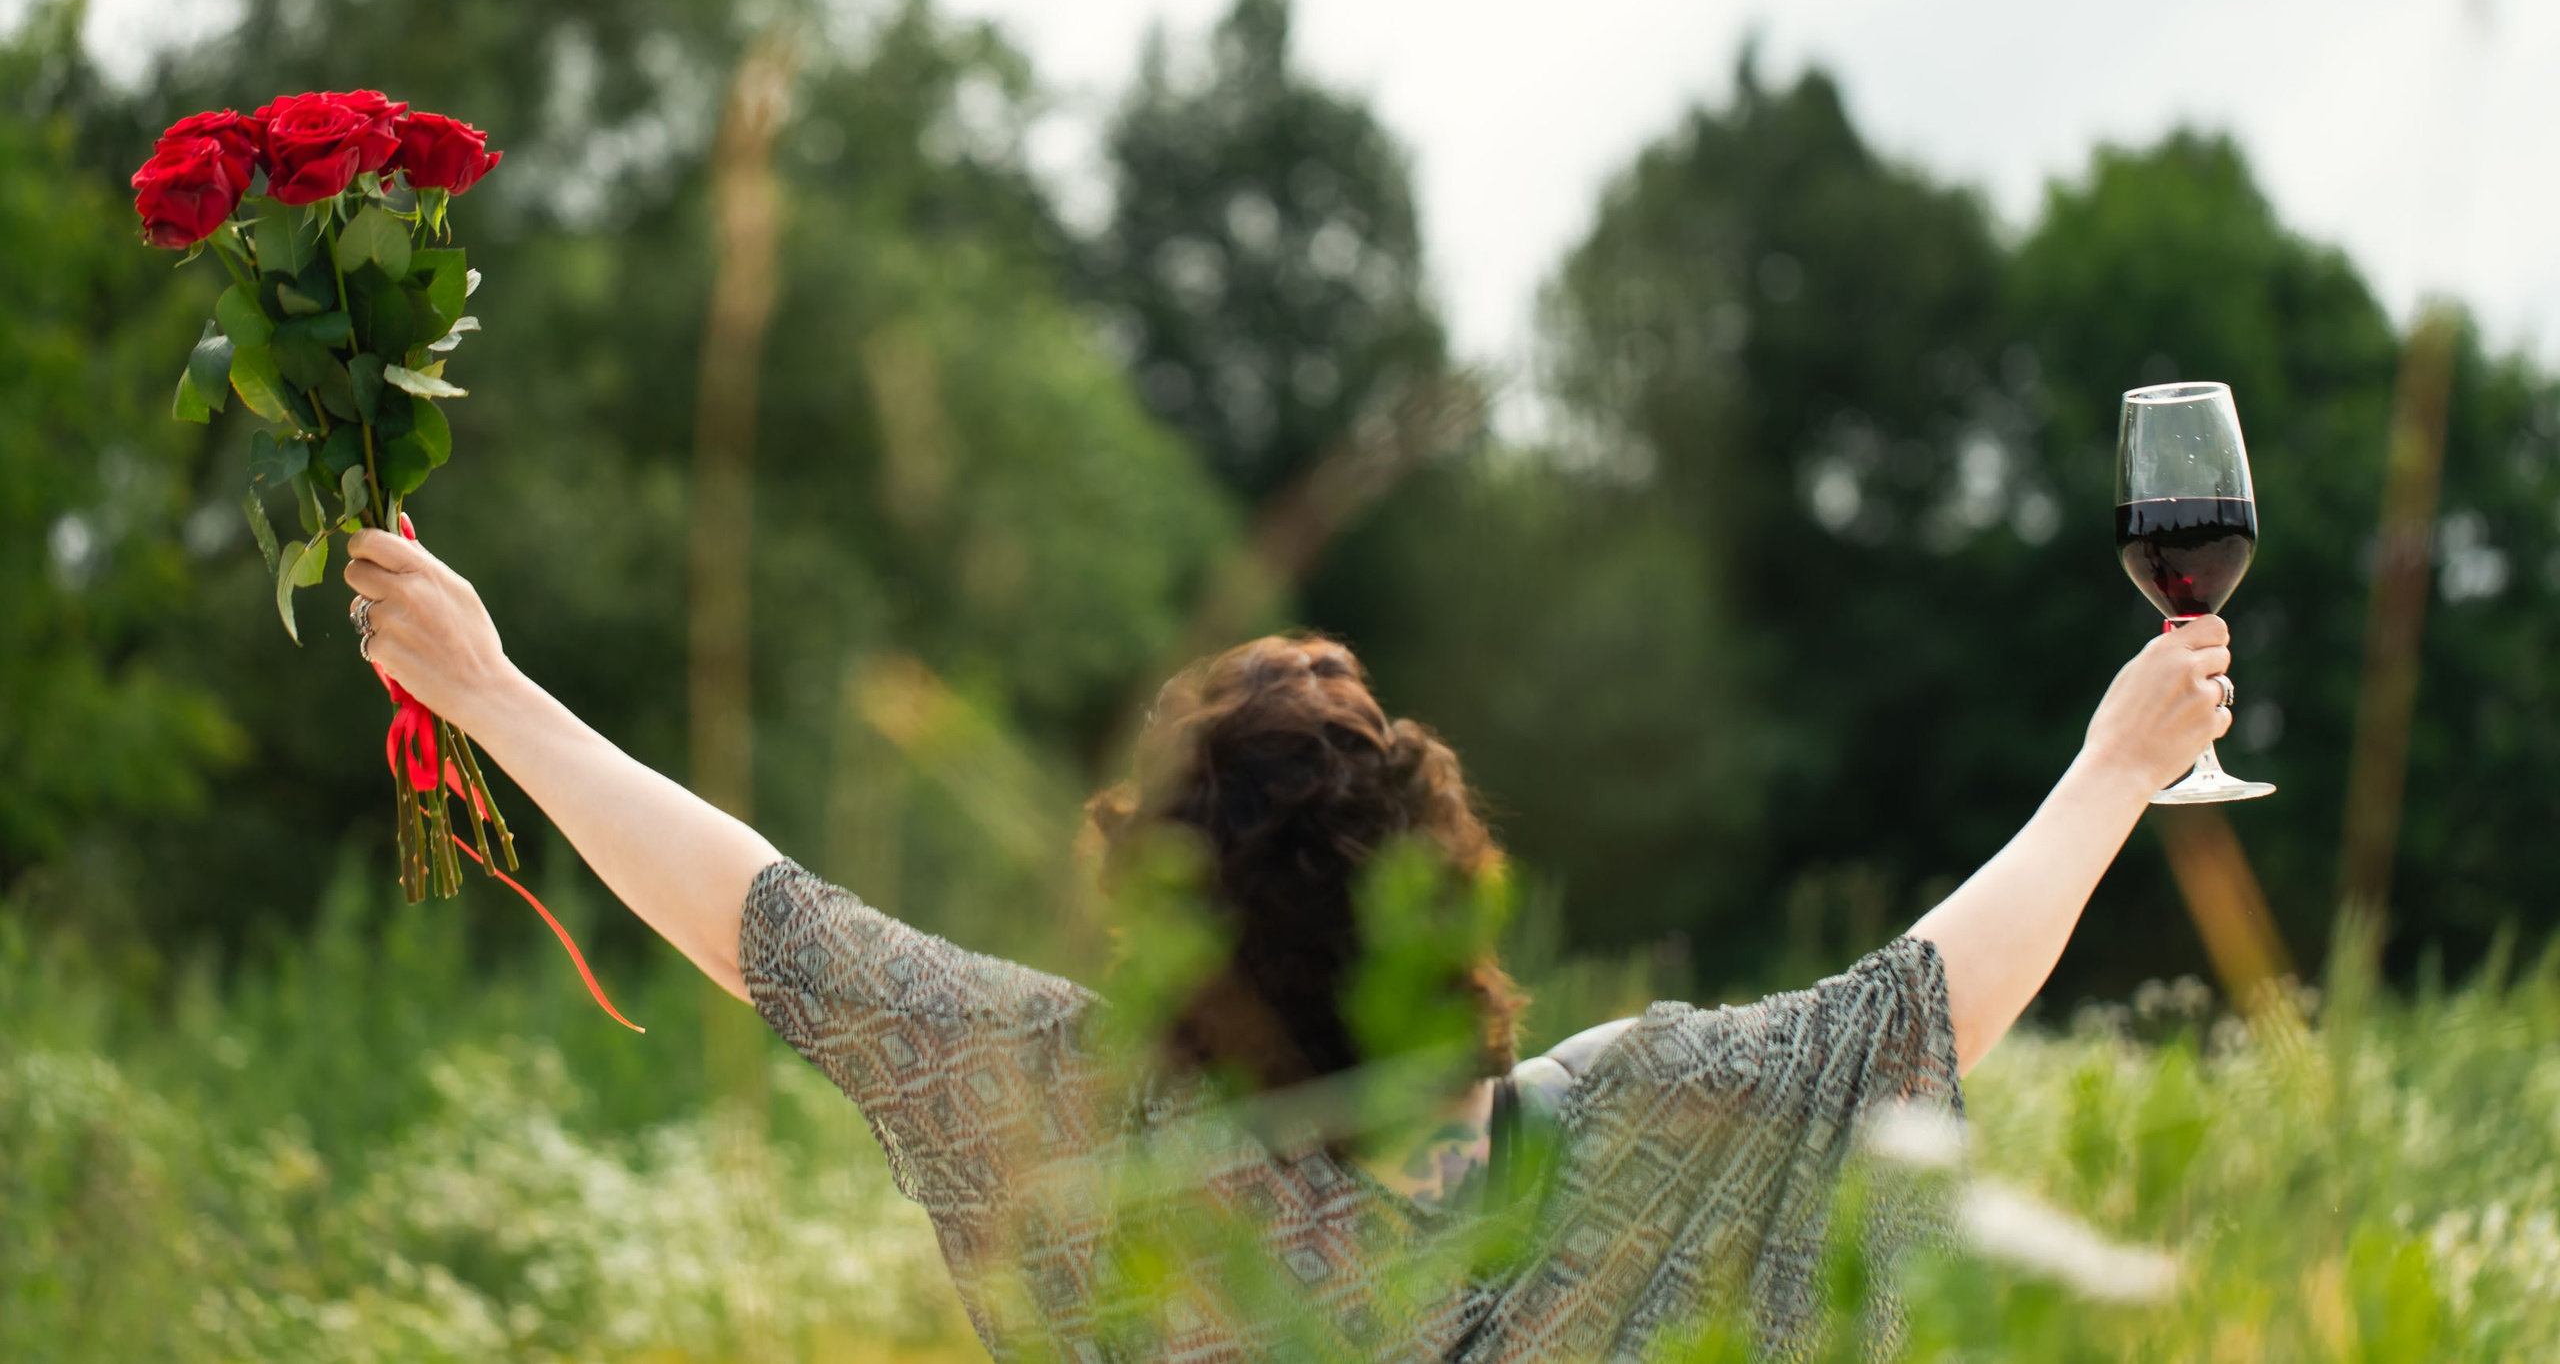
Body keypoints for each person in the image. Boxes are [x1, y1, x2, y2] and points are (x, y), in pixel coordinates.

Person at [342, 526, 2237, 1361]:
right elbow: (1918, 1012)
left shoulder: (1077, 1119)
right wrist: (2115, 766)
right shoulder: (1637, 1121)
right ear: (1446, 886)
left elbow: (761, 917)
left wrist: (492, 690)